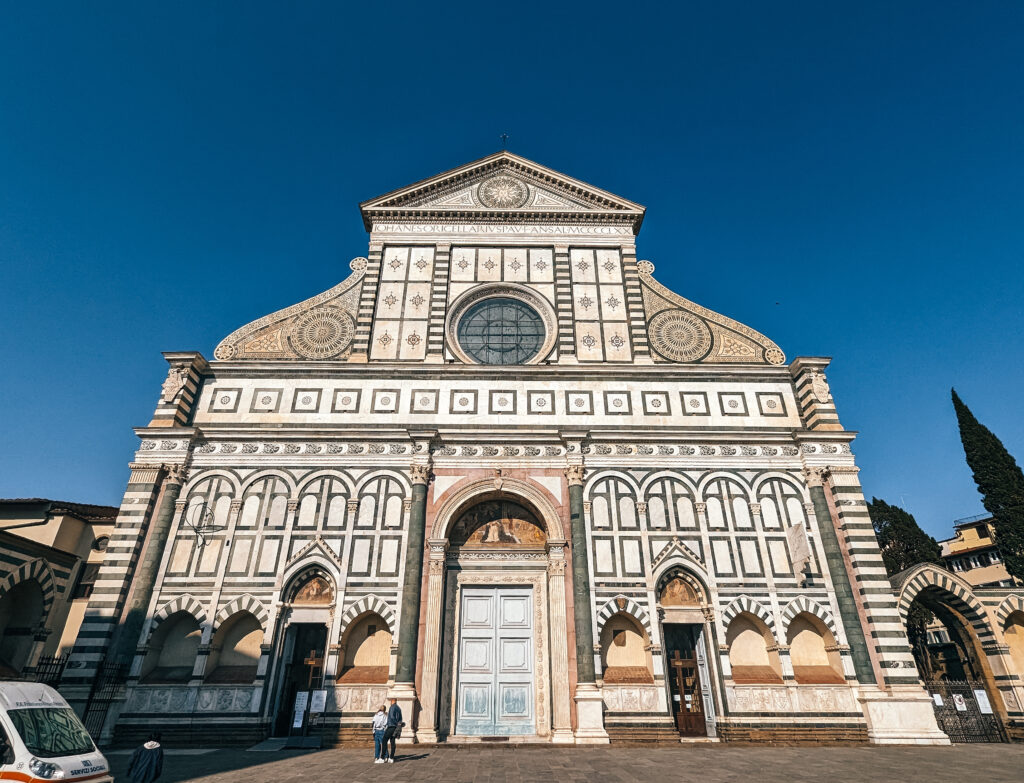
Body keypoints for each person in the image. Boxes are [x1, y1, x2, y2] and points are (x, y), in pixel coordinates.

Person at [381, 696, 403, 763]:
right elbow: (400, 718)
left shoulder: (392, 707)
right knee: (392, 742)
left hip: (391, 726)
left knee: (384, 740)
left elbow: (392, 717)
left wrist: (394, 723)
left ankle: (382, 757)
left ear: (392, 701)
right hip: (396, 727)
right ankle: (391, 757)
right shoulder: (398, 708)